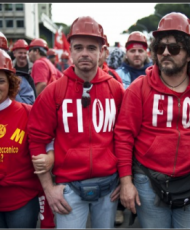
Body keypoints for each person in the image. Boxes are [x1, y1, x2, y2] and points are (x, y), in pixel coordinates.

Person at [114, 12, 190, 228]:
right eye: (160, 47)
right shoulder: (139, 88)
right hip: (148, 181)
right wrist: (126, 182)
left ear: (189, 54)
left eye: (173, 48)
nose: (165, 53)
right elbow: (124, 136)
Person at [27, 16, 125, 228]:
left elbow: (127, 137)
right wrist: (49, 189)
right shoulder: (54, 91)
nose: (85, 54)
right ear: (70, 51)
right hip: (68, 188)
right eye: (78, 47)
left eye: (91, 48)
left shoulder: (116, 89)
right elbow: (36, 139)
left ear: (102, 52)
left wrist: (126, 181)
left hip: (109, 186)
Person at [0, 48, 42, 228]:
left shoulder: (28, 113)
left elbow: (44, 153)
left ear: (10, 83)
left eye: (0, 81)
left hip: (23, 201)